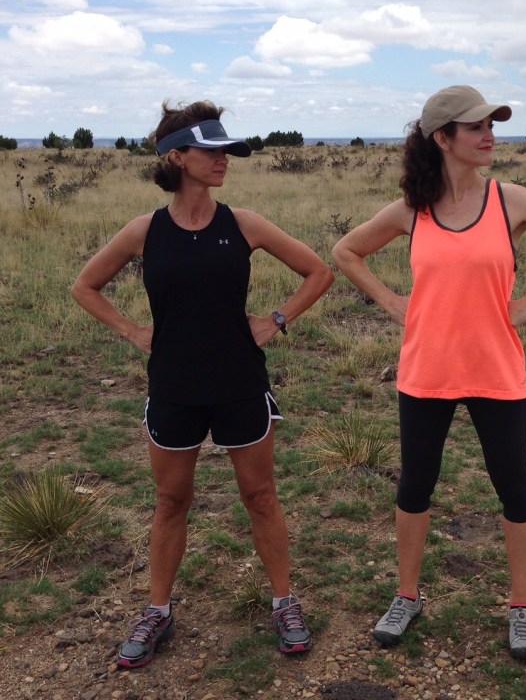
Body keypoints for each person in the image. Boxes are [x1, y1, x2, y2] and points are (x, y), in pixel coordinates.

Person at [331, 85, 526, 661]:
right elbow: (345, 252)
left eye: (492, 124)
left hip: (495, 370)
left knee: (514, 488)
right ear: (443, 138)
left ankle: (520, 606)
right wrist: (394, 303)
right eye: (475, 127)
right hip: (426, 371)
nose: (490, 134)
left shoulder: (511, 201)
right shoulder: (411, 210)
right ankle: (407, 596)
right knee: (415, 486)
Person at [71, 101, 334, 668]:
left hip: (240, 383)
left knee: (261, 497)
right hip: (173, 386)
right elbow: (85, 286)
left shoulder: (244, 224)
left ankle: (285, 603)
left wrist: (277, 319)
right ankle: (157, 611)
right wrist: (133, 331)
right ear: (176, 157)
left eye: (226, 152)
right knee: (171, 502)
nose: (223, 161)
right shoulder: (145, 231)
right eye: (211, 152)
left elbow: (319, 271)